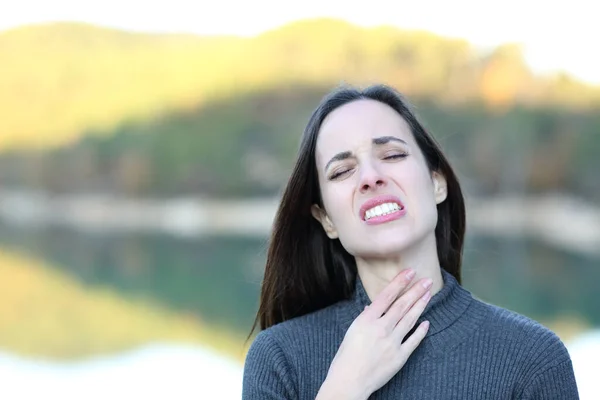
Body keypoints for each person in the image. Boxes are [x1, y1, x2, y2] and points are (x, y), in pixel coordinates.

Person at [241, 84, 579, 399]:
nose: (370, 177)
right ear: (326, 219)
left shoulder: (533, 359)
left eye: (391, 155)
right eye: (342, 171)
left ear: (437, 184)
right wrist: (344, 387)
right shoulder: (279, 359)